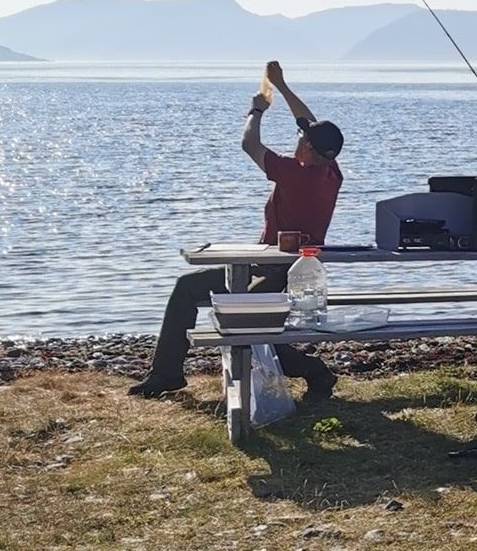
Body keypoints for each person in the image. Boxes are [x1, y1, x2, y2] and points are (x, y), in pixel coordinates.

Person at [129, 61, 345, 400]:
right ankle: (166, 374)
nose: (298, 135)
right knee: (188, 288)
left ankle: (315, 371)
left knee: (245, 321)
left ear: (309, 149)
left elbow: (249, 144)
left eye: (301, 137)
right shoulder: (331, 173)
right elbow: (310, 123)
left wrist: (256, 111)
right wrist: (283, 87)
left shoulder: (294, 173)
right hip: (281, 268)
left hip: (280, 273)